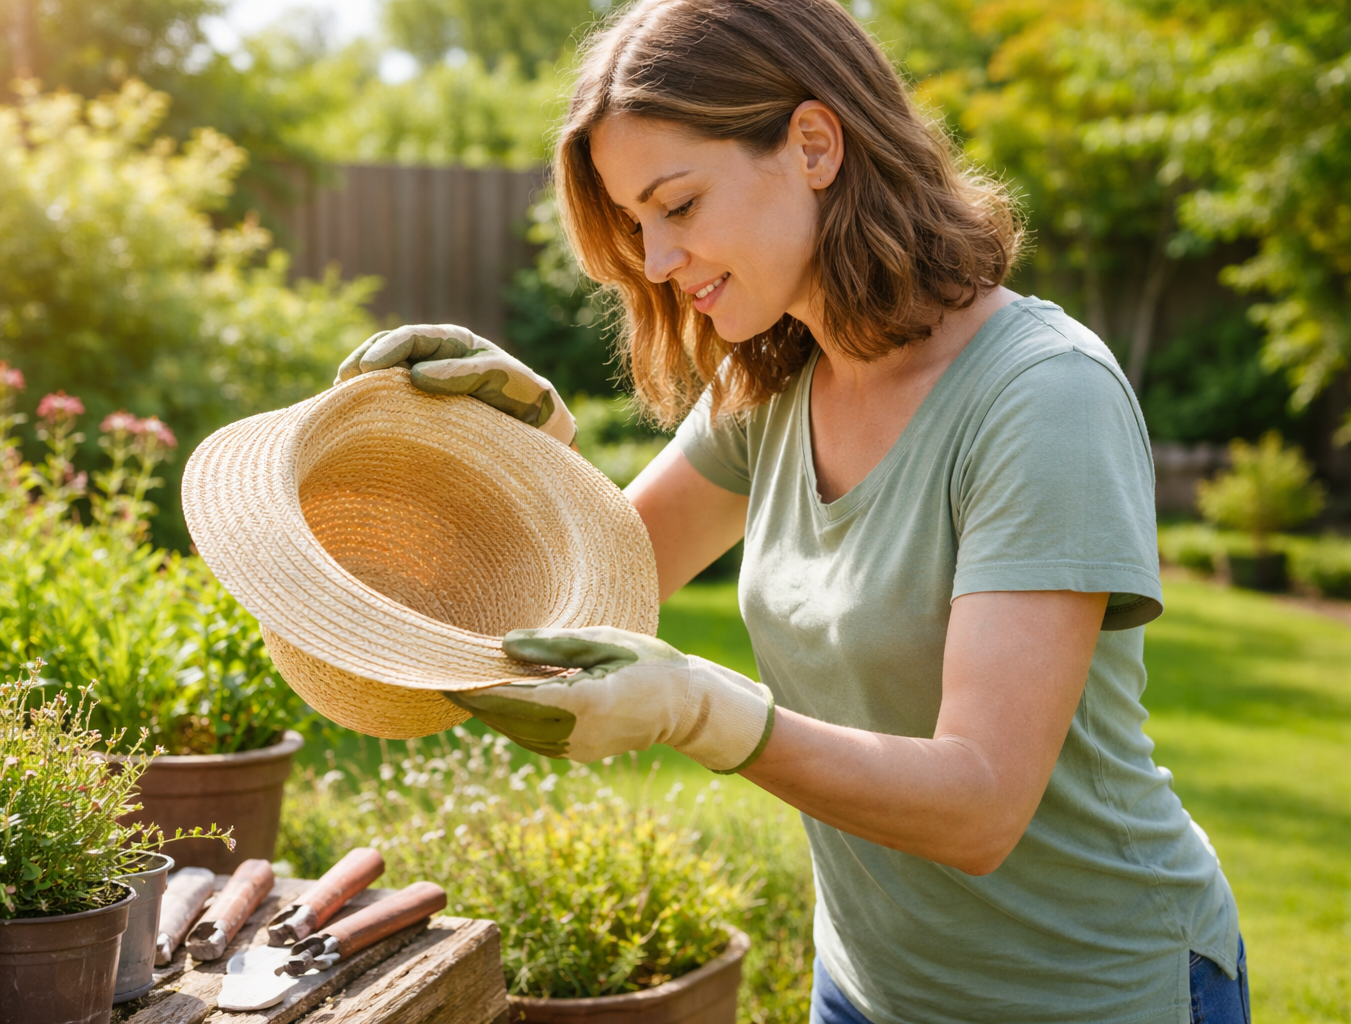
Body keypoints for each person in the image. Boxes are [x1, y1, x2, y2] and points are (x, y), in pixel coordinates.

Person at [334, 1, 1248, 1021]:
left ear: (814, 144)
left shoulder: (1044, 396)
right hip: (864, 990)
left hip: (1095, 991)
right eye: (636, 224)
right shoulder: (772, 390)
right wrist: (523, 452)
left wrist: (701, 707)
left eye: (677, 204)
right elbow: (592, 589)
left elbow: (983, 803)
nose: (657, 261)